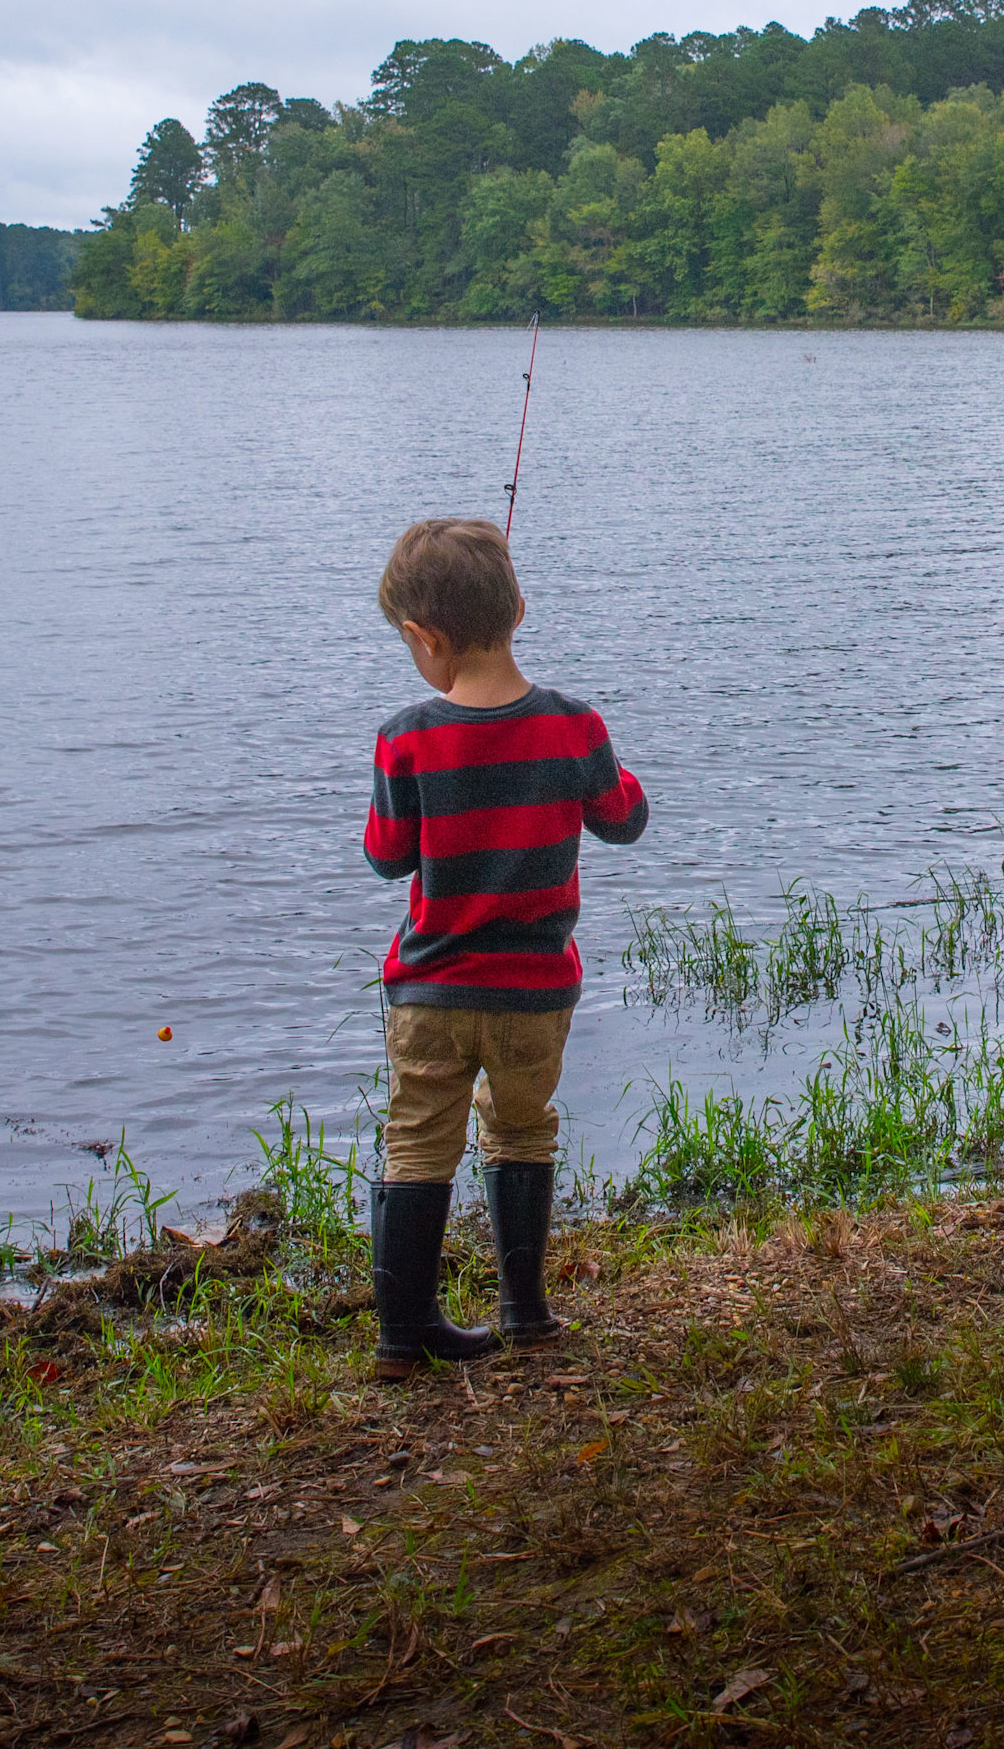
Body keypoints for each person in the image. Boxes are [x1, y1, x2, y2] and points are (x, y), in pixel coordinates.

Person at [357, 516, 649, 1379]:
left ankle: (402, 1336)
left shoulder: (405, 735)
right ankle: (525, 1313)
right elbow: (624, 820)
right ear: (518, 607)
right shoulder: (574, 724)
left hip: (431, 990)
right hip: (533, 992)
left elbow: (386, 856)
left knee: (417, 1143)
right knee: (523, 1134)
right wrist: (599, 764)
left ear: (424, 636)